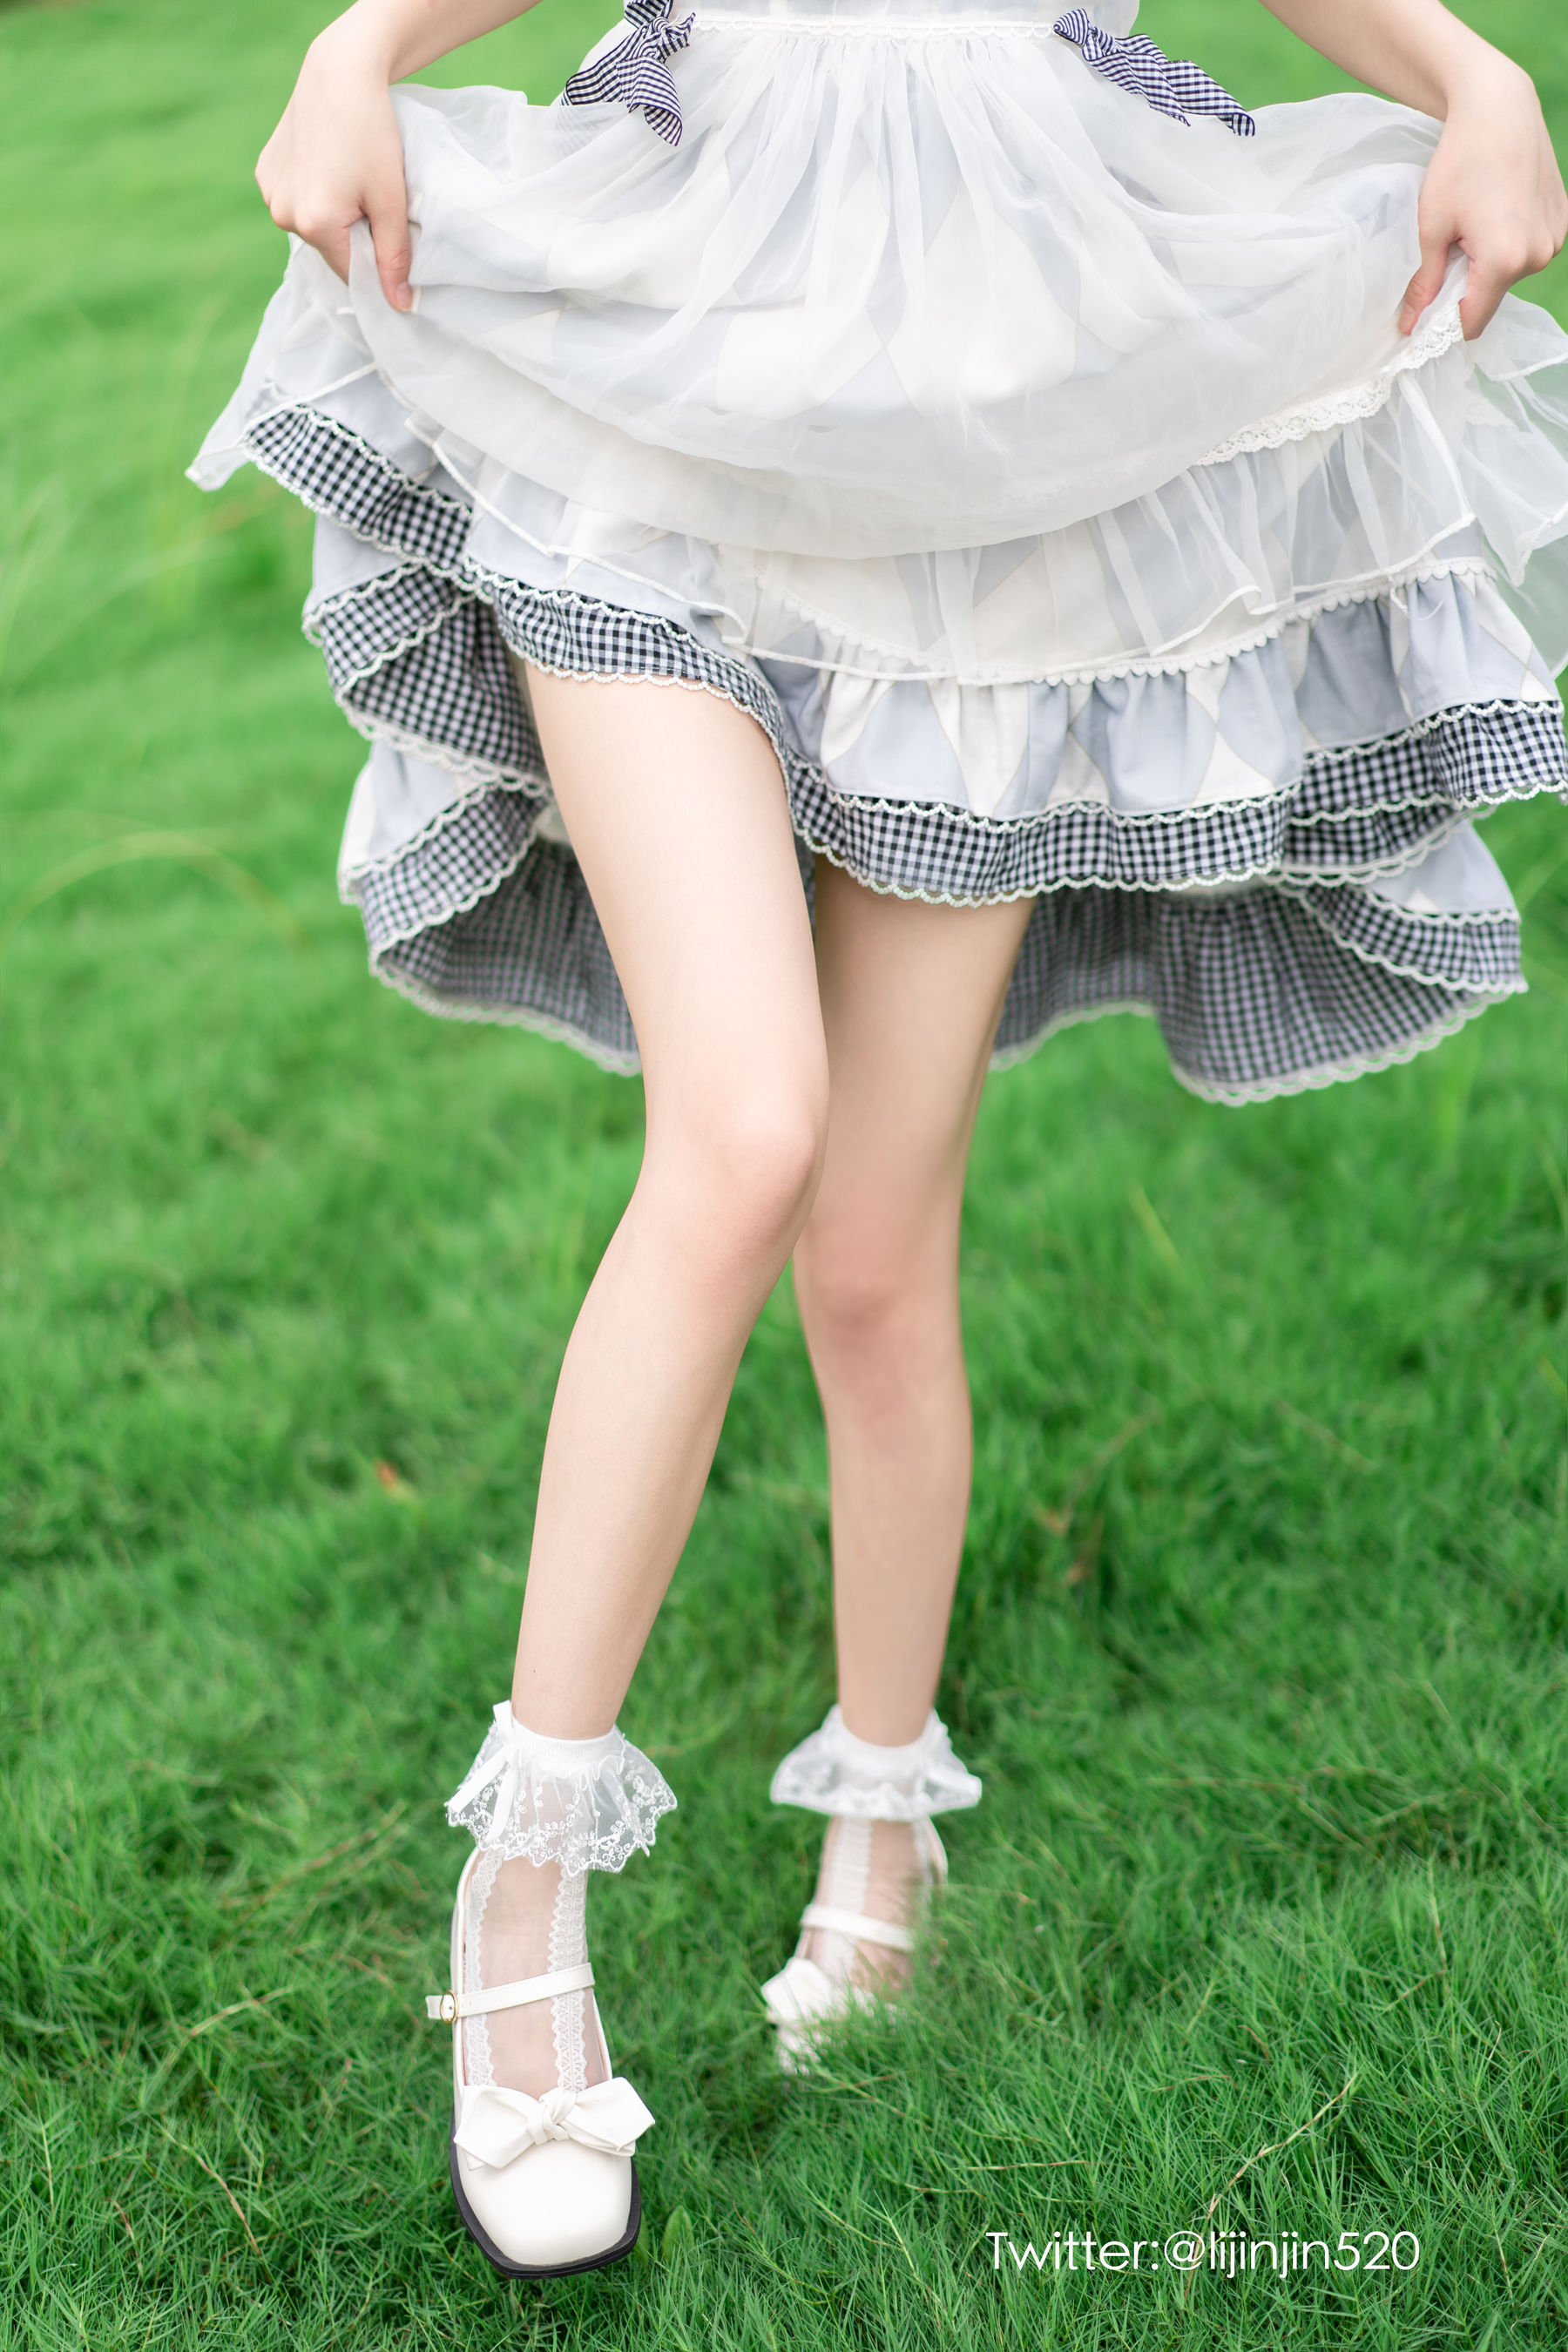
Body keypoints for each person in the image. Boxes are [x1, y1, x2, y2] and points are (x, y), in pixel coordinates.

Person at [192, 0, 1568, 2280]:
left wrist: (1476, 80)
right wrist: (364, 43)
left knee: (871, 1246)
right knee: (747, 1126)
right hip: (678, 353)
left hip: (1008, 404)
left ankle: (882, 1815)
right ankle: (520, 1895)